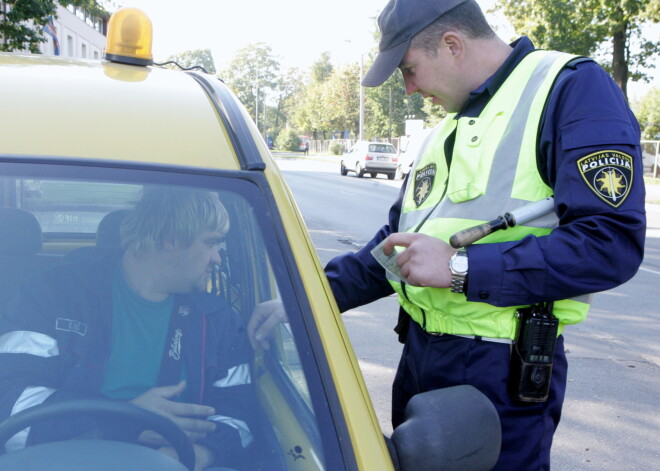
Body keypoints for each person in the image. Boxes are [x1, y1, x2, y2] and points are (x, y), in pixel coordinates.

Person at [322, 0, 646, 470]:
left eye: (409, 70)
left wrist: (459, 269)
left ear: (452, 45)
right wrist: (306, 297)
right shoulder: (447, 128)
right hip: (420, 361)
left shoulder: (569, 87)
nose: (409, 89)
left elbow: (609, 243)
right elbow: (396, 246)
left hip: (499, 375)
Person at [0, 187, 259, 471]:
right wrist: (126, 421)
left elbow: (241, 417)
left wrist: (198, 454)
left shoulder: (218, 319)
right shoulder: (52, 293)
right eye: (211, 243)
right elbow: (11, 405)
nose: (218, 258)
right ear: (171, 239)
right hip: (63, 457)